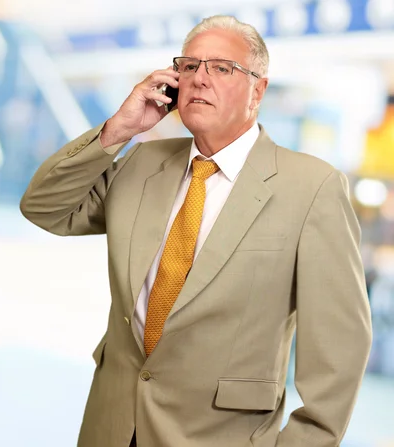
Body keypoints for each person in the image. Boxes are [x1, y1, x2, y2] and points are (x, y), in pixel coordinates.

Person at [20, 15, 372, 447]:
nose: (199, 79)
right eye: (189, 66)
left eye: (221, 68)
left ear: (257, 91)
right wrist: (120, 129)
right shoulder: (141, 163)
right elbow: (44, 207)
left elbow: (340, 349)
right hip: (110, 427)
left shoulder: (312, 187)